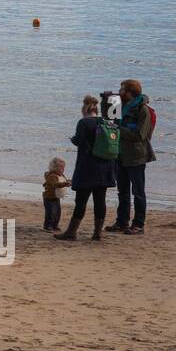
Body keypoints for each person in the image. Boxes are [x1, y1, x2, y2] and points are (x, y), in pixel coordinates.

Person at [56, 94, 117, 241]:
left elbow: (79, 141)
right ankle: (97, 233)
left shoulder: (83, 123)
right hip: (105, 165)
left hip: (87, 167)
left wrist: (73, 139)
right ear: (97, 109)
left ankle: (71, 232)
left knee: (81, 201)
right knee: (100, 200)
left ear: (84, 109)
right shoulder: (106, 122)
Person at [107, 79, 155, 235]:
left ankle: (138, 224)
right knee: (123, 191)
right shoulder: (119, 106)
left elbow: (140, 135)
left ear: (130, 93)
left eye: (122, 90)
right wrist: (108, 104)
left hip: (136, 156)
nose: (119, 92)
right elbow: (109, 123)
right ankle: (122, 222)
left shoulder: (143, 110)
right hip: (120, 154)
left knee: (138, 192)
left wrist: (118, 129)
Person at [42, 157, 70, 231]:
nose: (63, 169)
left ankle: (54, 225)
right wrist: (65, 184)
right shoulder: (52, 176)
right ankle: (48, 226)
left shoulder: (61, 175)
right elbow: (55, 184)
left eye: (63, 167)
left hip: (56, 197)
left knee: (57, 212)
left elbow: (63, 181)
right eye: (60, 167)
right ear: (54, 168)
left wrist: (68, 182)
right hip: (49, 197)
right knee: (51, 212)